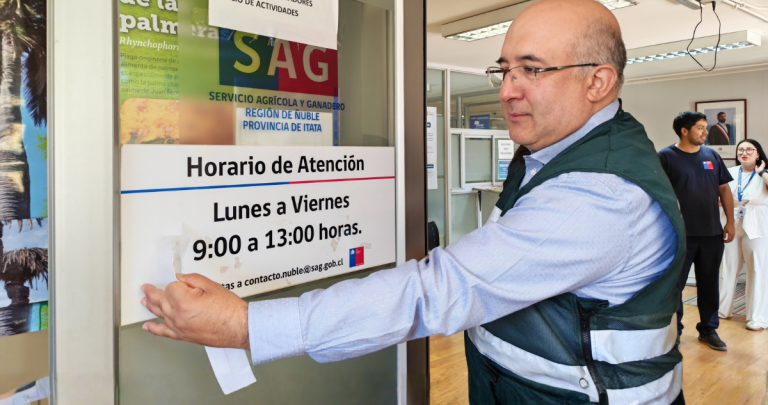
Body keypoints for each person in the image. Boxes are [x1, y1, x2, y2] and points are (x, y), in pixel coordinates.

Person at [141, 0, 688, 403]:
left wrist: (248, 325)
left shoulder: (600, 195)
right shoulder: (554, 151)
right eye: (505, 69)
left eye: (533, 68)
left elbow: (443, 289)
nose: (507, 88)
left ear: (598, 82)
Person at [658, 111, 735, 351]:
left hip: (712, 233)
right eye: (700, 127)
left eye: (705, 127)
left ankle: (708, 330)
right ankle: (675, 332)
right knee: (675, 286)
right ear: (684, 130)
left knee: (709, 283)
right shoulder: (665, 157)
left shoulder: (712, 154)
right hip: (678, 235)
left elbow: (724, 189)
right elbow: (657, 196)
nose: (705, 132)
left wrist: (730, 222)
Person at [719, 139, 768, 331]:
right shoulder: (729, 173)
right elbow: (718, 198)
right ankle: (723, 310)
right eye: (741, 149)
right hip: (731, 223)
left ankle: (757, 317)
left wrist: (762, 172)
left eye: (749, 149)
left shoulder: (763, 174)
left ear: (758, 154)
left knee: (757, 270)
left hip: (757, 227)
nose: (744, 152)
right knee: (728, 267)